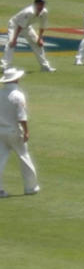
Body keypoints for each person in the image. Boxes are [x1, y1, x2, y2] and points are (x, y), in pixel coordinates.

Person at [0, 67, 38, 196]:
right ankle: (31, 187)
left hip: (1, 131)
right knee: (24, 158)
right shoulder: (18, 95)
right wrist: (26, 131)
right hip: (14, 131)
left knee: (1, 160)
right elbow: (22, 116)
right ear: (16, 79)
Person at [3, 0, 53, 73]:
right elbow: (19, 27)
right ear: (35, 4)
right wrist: (14, 40)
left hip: (27, 26)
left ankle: (45, 67)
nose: (42, 6)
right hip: (14, 25)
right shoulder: (29, 11)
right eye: (40, 4)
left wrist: (39, 39)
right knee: (11, 44)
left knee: (37, 44)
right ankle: (5, 67)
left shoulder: (44, 12)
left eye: (43, 4)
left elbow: (42, 26)